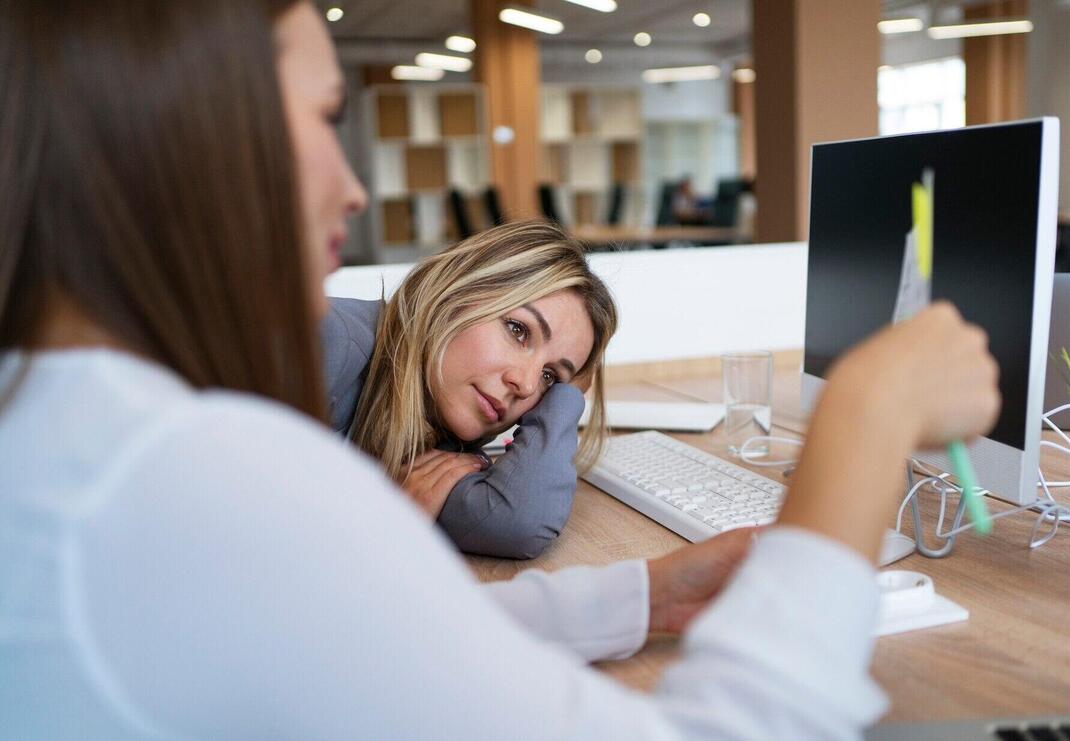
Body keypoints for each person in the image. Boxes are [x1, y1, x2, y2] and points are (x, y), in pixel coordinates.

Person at [0, 1, 1001, 739]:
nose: (354, 185)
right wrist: (866, 418)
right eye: (321, 116)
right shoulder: (193, 464)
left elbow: (350, 634)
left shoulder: (78, 433)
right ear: (181, 135)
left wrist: (637, 600)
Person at [323, 222, 617, 558]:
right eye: (518, 330)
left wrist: (566, 396)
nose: (526, 384)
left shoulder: (434, 430)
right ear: (457, 294)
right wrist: (379, 527)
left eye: (549, 376)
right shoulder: (327, 345)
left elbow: (516, 521)